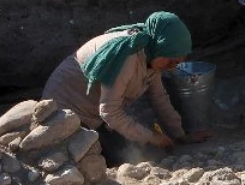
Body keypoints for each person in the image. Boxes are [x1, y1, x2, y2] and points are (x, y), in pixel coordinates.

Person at [42, 11, 210, 163]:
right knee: (111, 161)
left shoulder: (152, 53)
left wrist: (179, 135)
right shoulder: (127, 56)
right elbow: (110, 111)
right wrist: (152, 137)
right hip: (64, 113)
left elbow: (159, 97)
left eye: (177, 63)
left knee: (139, 148)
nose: (172, 67)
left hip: (96, 114)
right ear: (160, 46)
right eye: (171, 61)